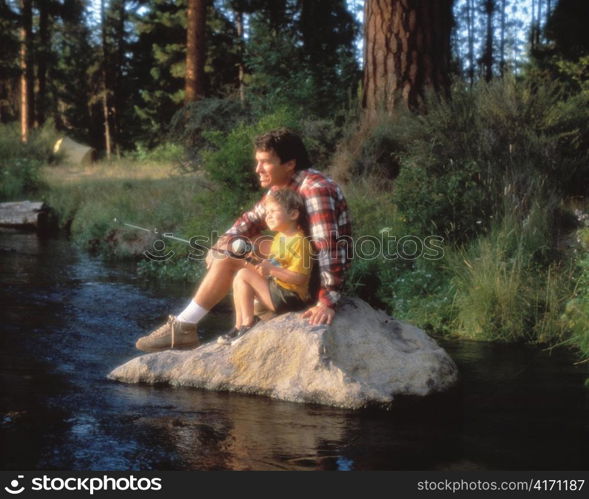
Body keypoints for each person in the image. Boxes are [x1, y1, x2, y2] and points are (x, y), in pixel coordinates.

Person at [135, 127, 351, 353]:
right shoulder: (281, 187)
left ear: (289, 164)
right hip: (291, 268)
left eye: (265, 162)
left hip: (306, 282)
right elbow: (250, 220)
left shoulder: (316, 190)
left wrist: (326, 302)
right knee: (234, 248)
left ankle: (184, 327)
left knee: (230, 259)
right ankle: (251, 313)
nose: (257, 169)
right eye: (257, 161)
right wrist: (223, 242)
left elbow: (330, 250)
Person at [217, 189, 313, 345]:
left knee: (243, 275)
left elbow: (300, 278)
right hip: (278, 289)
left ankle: (248, 324)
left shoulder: (299, 242)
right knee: (240, 278)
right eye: (266, 212)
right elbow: (274, 266)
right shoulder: (279, 238)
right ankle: (239, 325)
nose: (267, 215)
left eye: (273, 211)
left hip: (292, 297)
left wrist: (272, 270)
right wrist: (256, 261)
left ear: (293, 214)